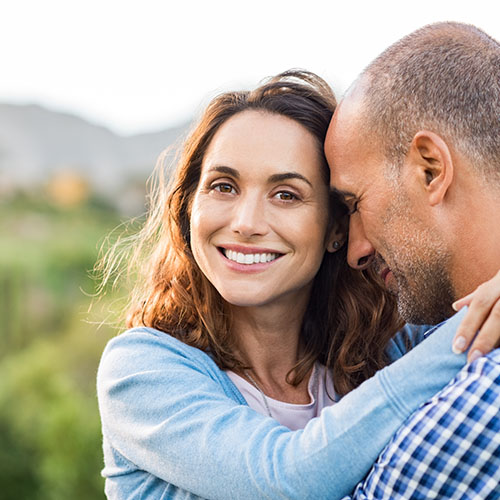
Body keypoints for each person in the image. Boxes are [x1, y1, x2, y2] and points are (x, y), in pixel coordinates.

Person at [97, 70, 499, 499]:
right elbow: (284, 478)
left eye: (286, 194)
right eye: (223, 186)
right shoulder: (142, 369)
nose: (246, 223)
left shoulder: (385, 348)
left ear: (335, 228)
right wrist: (472, 331)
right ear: (189, 207)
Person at [325, 22, 500, 499]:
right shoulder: (429, 333)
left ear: (430, 170)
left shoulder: (480, 400)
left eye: (355, 204)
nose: (356, 249)